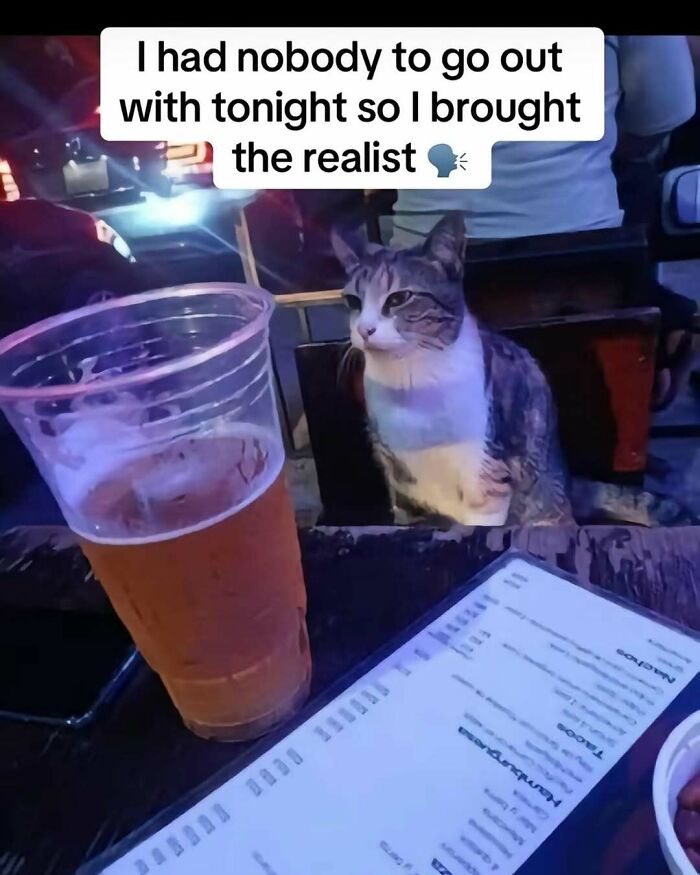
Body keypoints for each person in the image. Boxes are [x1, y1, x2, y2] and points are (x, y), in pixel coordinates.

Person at [390, 36, 697, 409]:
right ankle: (654, 347)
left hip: (425, 294)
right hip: (584, 282)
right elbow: (661, 116)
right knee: (635, 178)